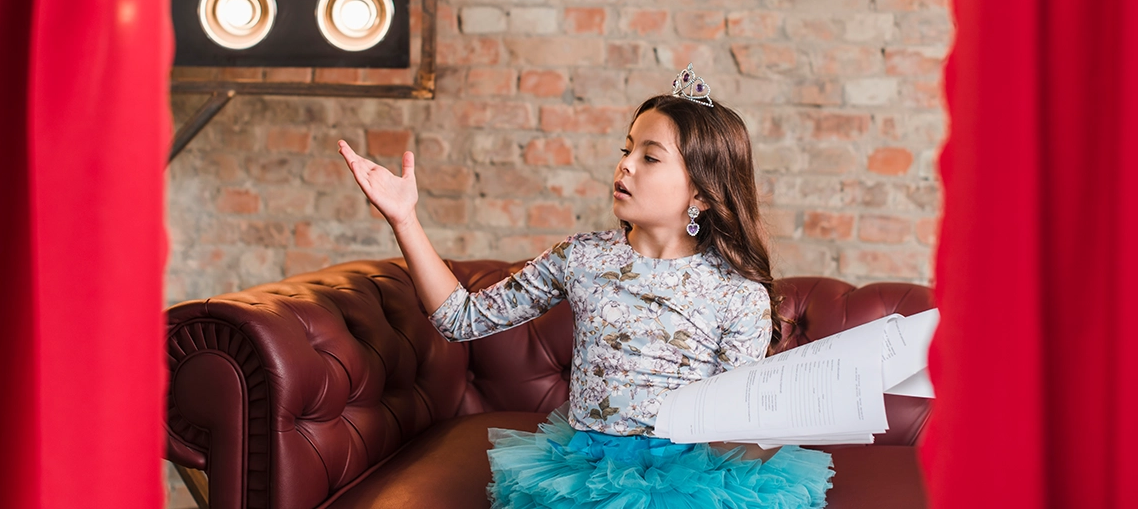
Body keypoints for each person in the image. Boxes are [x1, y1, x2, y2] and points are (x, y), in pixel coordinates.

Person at [337, 64, 834, 508]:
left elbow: (737, 430)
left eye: (650, 157)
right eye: (627, 149)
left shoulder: (736, 293)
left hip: (689, 480)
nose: (625, 165)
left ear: (701, 192)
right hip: (586, 474)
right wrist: (404, 220)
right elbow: (459, 319)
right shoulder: (583, 257)